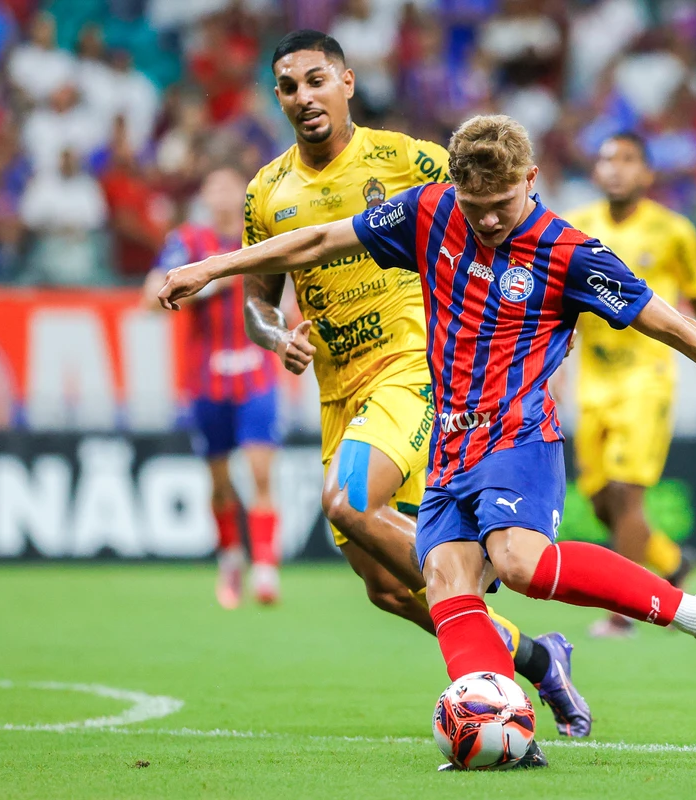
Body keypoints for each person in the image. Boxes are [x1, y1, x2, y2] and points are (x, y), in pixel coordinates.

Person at [158, 113, 696, 769]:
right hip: (450, 445)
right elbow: (315, 241)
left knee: (519, 564)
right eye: (475, 202)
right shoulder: (428, 213)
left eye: (502, 203)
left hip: (519, 438)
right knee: (446, 583)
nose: (486, 219)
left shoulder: (568, 251)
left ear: (532, 179)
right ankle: (503, 727)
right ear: (455, 187)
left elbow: (671, 322)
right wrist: (212, 269)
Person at [228, 31, 591, 738]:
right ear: (278, 97)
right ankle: (536, 659)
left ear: (348, 82)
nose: (304, 96)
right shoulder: (265, 193)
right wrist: (277, 337)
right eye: (289, 86)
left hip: (412, 371)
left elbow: (503, 213)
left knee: (346, 500)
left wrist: (547, 311)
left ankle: (482, 588)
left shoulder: (409, 161)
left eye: (316, 80)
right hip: (339, 394)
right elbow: (257, 300)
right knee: (387, 590)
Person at [566, 132, 696, 638]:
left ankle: (625, 612)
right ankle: (671, 561)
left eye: (627, 160)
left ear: (647, 174)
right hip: (594, 378)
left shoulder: (673, 231)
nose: (615, 169)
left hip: (648, 376)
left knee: (625, 493)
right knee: (598, 497)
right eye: (606, 160)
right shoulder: (577, 226)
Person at [143, 167, 281, 607]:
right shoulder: (188, 243)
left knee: (260, 472)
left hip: (256, 371)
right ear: (204, 195)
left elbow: (290, 290)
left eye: (229, 189)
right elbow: (151, 295)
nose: (222, 197)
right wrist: (204, 287)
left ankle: (265, 568)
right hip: (206, 378)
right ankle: (231, 557)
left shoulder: (261, 237)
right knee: (220, 482)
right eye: (214, 188)